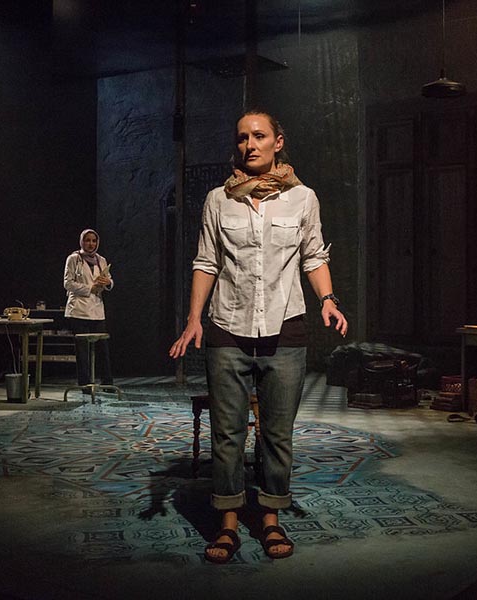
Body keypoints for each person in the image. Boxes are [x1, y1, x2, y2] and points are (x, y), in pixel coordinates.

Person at [169, 110, 347, 563]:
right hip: (227, 329)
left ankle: (270, 518)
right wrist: (194, 319)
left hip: (285, 329)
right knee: (226, 433)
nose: (249, 144)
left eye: (259, 136)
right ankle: (228, 523)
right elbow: (206, 262)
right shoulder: (218, 200)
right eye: (242, 137)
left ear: (278, 142)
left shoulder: (303, 198)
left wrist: (327, 299)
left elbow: (314, 255)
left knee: (276, 434)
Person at [64, 229, 114, 389]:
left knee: (103, 349)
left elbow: (109, 280)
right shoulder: (74, 258)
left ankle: (107, 382)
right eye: (87, 240)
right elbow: (68, 283)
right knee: (82, 351)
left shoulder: (101, 260)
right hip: (79, 310)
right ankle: (85, 384)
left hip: (97, 310)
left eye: (94, 240)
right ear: (82, 242)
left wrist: (108, 283)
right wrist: (89, 288)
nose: (91, 244)